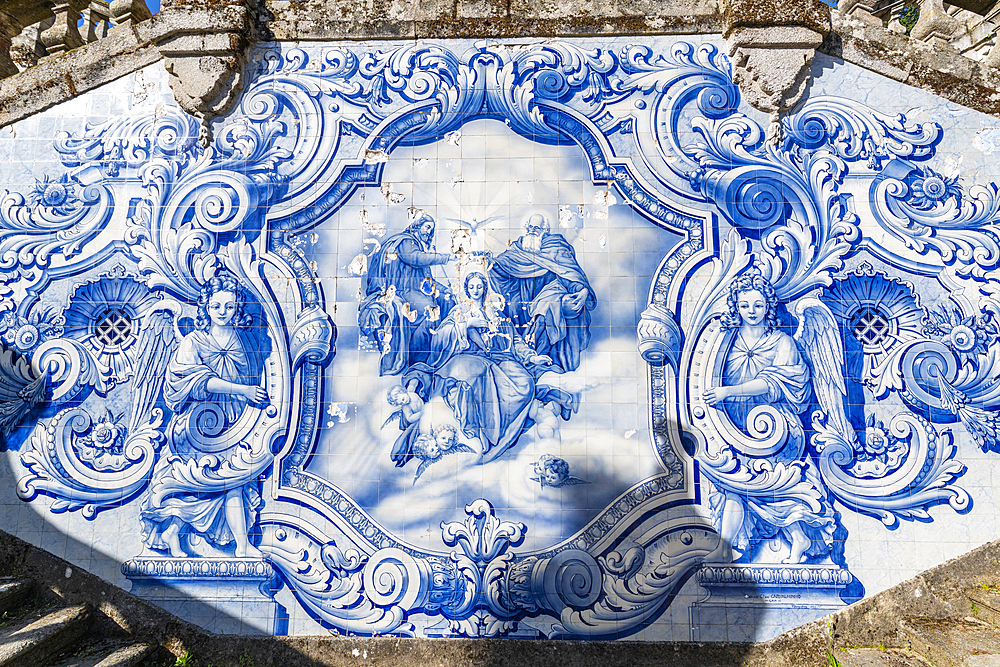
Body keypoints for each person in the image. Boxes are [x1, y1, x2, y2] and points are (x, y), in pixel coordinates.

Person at [702, 271, 836, 565]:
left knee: (766, 482)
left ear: (768, 307)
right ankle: (728, 548)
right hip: (735, 428)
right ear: (736, 306)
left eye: (758, 305)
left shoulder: (783, 342)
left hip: (777, 429)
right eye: (745, 305)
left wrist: (728, 391)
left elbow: (775, 383)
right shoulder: (726, 341)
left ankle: (796, 538)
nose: (751, 311)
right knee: (732, 483)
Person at [140, 273, 267, 559]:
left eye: (229, 307)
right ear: (206, 307)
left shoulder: (244, 340)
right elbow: (193, 380)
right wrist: (242, 390)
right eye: (216, 306)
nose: (223, 313)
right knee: (199, 481)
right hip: (198, 424)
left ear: (237, 308)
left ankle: (239, 544)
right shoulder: (193, 341)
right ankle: (181, 535)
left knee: (236, 479)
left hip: (236, 421)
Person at [421, 272, 553, 461]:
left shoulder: (495, 313)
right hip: (468, 356)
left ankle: (502, 432)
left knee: (525, 384)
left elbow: (515, 340)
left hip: (497, 358)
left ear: (485, 288)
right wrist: (466, 325)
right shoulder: (460, 310)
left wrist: (532, 358)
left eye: (479, 286)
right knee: (476, 377)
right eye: (472, 287)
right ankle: (477, 435)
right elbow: (440, 336)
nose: (476, 291)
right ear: (467, 289)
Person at [489, 214, 595, 373]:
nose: (531, 231)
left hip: (554, 293)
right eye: (530, 227)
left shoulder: (556, 247)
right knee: (537, 309)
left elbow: (569, 273)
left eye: (536, 228)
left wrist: (582, 290)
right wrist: (492, 264)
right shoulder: (519, 247)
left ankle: (537, 354)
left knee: (547, 309)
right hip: (526, 298)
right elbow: (501, 268)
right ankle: (530, 355)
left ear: (545, 231)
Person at [359, 212, 456, 376]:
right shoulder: (406, 242)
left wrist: (446, 290)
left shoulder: (416, 246)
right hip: (403, 292)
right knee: (431, 311)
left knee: (448, 300)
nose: (428, 232)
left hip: (415, 291)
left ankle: (433, 355)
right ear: (417, 225)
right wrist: (446, 258)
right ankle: (417, 359)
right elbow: (416, 259)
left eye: (431, 230)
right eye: (427, 227)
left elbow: (427, 280)